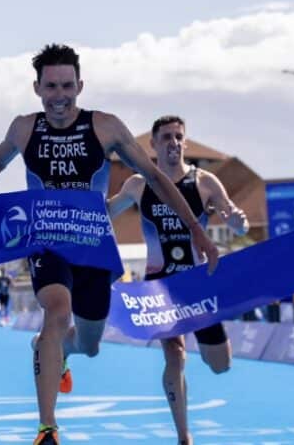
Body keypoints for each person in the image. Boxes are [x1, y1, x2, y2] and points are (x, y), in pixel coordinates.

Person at [0, 45, 219, 445]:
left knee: (89, 343)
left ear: (80, 85)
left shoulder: (105, 127)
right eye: (51, 86)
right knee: (56, 309)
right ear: (37, 88)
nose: (59, 94)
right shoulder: (24, 128)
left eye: (67, 85)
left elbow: (153, 176)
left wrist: (197, 229)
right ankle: (47, 428)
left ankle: (59, 351)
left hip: (94, 244)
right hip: (47, 240)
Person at [108, 115, 249, 445]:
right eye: (166, 137)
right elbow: (104, 213)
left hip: (198, 284)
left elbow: (234, 221)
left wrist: (239, 223)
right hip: (160, 286)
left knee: (221, 365)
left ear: (184, 142)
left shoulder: (205, 183)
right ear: (154, 145)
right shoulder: (138, 185)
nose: (173, 142)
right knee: (176, 356)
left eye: (178, 137)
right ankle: (184, 436)